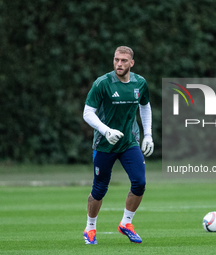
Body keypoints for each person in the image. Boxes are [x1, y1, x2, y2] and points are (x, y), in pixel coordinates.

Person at [82, 46, 154, 244]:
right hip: (104, 144)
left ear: (131, 63)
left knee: (140, 183)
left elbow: (145, 105)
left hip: (129, 142)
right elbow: (87, 113)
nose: (119, 64)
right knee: (99, 189)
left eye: (123, 61)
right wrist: (106, 131)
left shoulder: (140, 83)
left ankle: (126, 223)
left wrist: (147, 135)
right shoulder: (102, 83)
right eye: (116, 60)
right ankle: (90, 228)